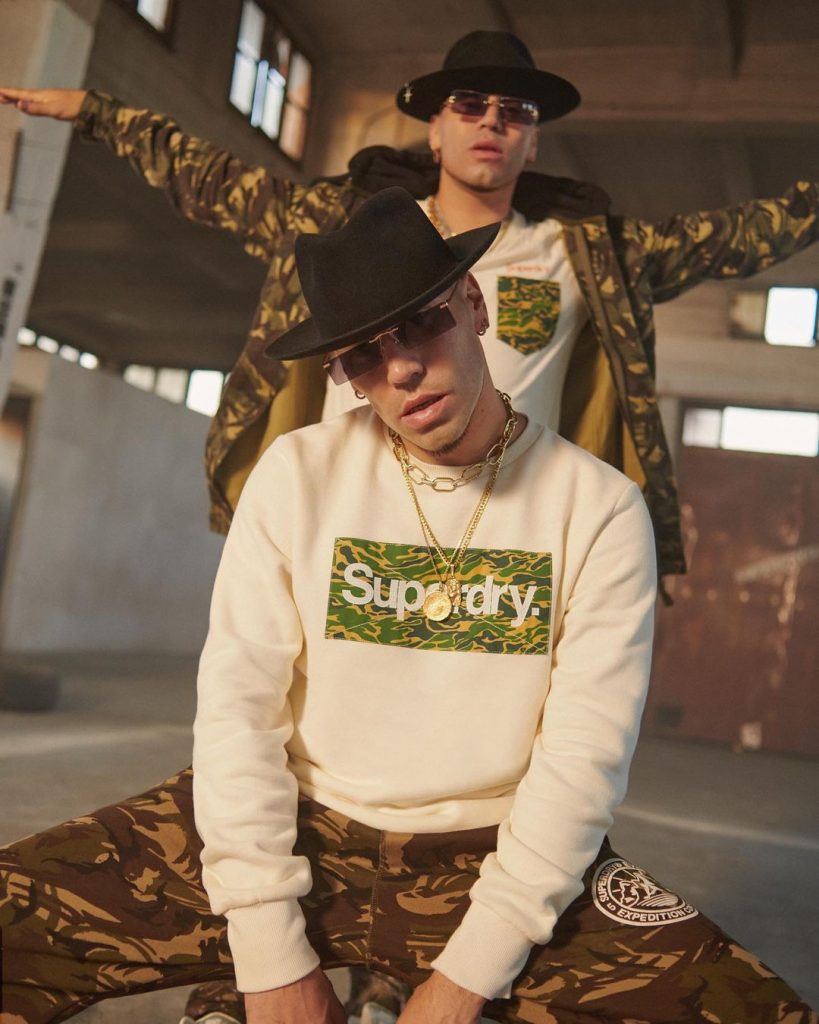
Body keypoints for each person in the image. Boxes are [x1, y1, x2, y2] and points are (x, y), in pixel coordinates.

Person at [1, 188, 816, 1024]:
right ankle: (232, 993)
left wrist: (464, 980)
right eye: (361, 355)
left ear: (474, 305)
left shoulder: (598, 507)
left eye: (420, 324)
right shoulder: (298, 474)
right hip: (301, 823)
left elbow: (580, 762)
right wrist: (271, 956)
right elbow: (239, 712)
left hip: (487, 849)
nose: (397, 371)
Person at [3, 30, 819, 584]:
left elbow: (742, 235)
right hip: (344, 509)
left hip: (501, 526)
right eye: (469, 105)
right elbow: (213, 180)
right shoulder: (345, 227)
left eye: (514, 114)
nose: (491, 122)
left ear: (534, 141)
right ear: (434, 129)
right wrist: (99, 114)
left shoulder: (589, 254)